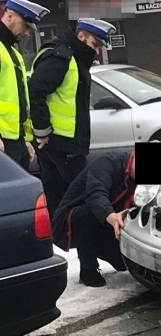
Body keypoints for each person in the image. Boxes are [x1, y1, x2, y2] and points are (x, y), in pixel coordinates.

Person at [28, 17, 116, 215]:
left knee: (59, 195)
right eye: (95, 44)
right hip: (61, 142)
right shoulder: (62, 57)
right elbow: (36, 90)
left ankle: (61, 237)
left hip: (65, 141)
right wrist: (42, 131)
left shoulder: (74, 58)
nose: (97, 51)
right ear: (81, 36)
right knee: (82, 191)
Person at [52, 149, 135, 287]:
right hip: (76, 216)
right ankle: (88, 269)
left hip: (108, 219)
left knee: (122, 264)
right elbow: (96, 194)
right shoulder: (107, 162)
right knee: (84, 215)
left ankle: (101, 247)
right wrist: (111, 216)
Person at [0, 0, 49, 172]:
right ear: (10, 15)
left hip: (16, 140)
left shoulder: (14, 54)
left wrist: (25, 139)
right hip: (3, 140)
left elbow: (20, 100)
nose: (27, 33)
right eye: (26, 25)